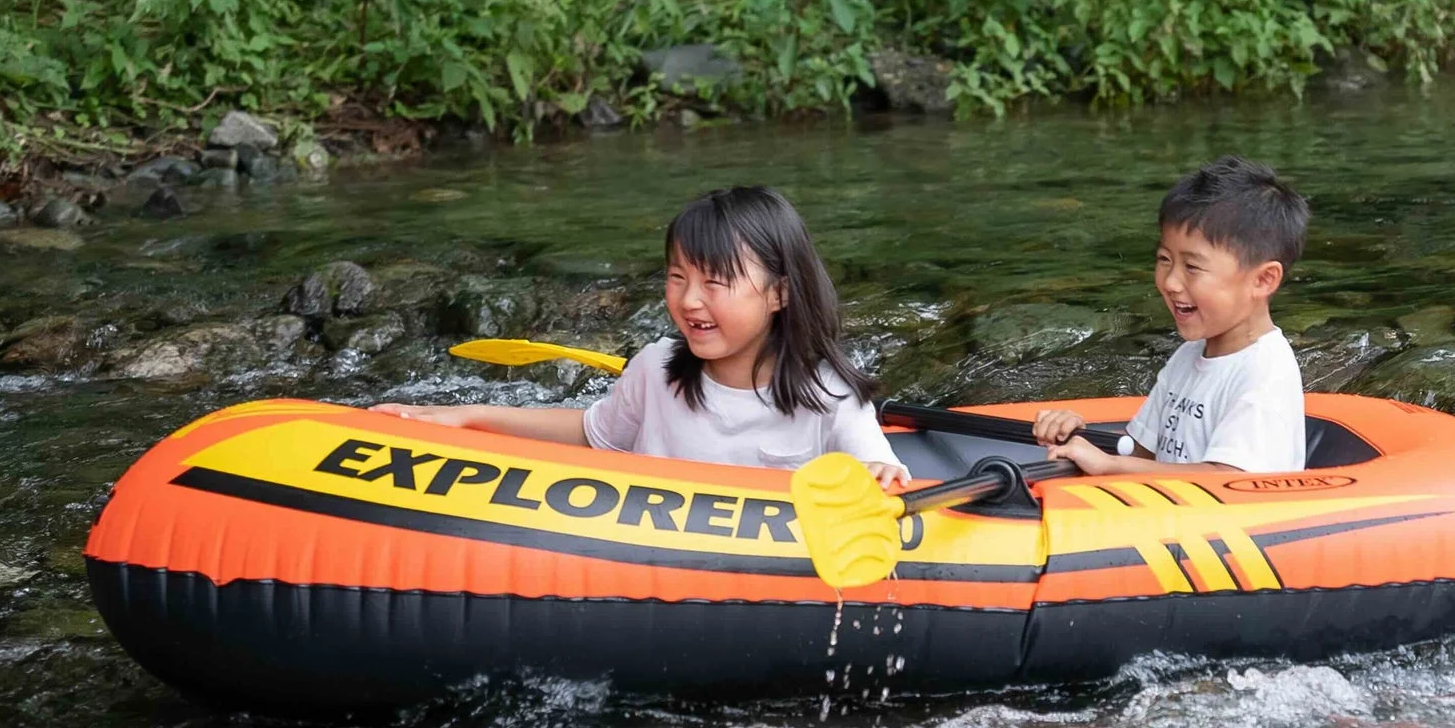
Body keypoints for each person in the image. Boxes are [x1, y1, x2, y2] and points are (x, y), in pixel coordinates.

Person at [374, 186, 908, 487]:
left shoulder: (829, 394)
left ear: (779, 294)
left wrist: (878, 472)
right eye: (678, 277)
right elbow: (591, 434)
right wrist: (471, 416)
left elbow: (878, 468)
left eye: (715, 282)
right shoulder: (654, 369)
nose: (689, 300)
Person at [1033, 156, 1309, 475]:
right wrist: (1075, 437)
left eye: (1192, 267)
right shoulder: (1188, 355)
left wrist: (1109, 466)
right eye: (1164, 259)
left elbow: (1230, 480)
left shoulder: (1264, 372)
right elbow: (1143, 453)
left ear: (1262, 280)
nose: (1170, 281)